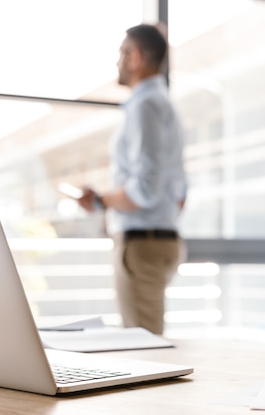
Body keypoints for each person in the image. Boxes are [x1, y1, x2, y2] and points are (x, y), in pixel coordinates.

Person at [78, 23, 187, 336]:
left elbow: (145, 190)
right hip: (158, 238)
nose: (117, 62)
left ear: (136, 57)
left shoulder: (145, 105)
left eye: (122, 53)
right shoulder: (162, 104)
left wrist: (102, 199)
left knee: (144, 349)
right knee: (145, 342)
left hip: (143, 244)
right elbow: (178, 189)